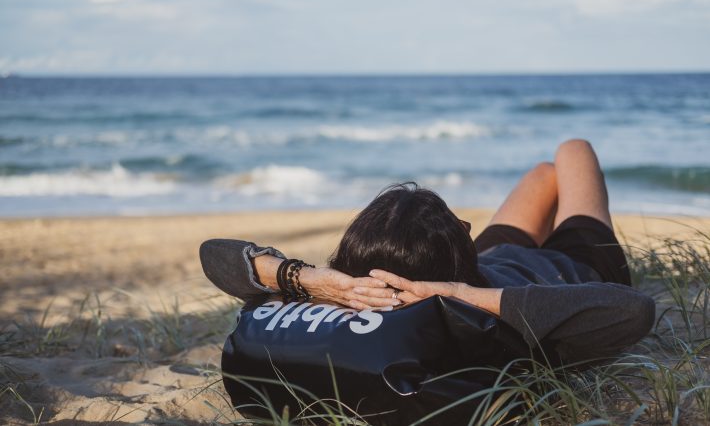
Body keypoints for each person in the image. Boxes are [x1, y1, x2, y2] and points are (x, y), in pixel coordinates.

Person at [201, 139, 655, 363]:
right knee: (572, 151)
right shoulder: (479, 312)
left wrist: (313, 280)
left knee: (542, 173)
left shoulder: (352, 295)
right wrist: (462, 292)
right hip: (571, 262)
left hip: (487, 260)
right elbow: (635, 311)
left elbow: (213, 254)